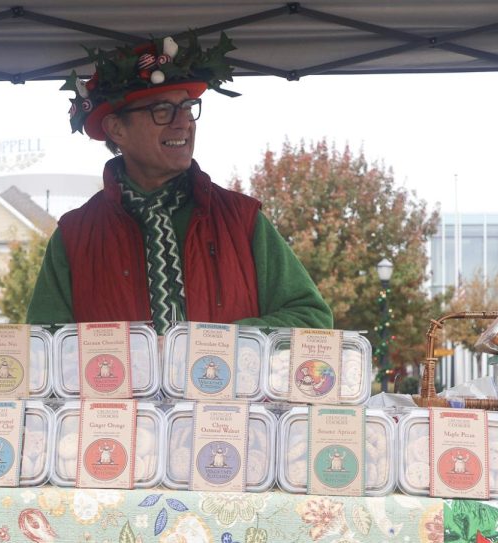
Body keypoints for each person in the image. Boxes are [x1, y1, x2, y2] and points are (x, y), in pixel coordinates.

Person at [27, 33, 332, 334]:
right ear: (117, 129)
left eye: (187, 108)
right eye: (162, 110)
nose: (183, 122)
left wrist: (216, 346)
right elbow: (44, 343)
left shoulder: (241, 219)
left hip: (228, 385)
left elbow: (311, 318)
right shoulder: (75, 236)